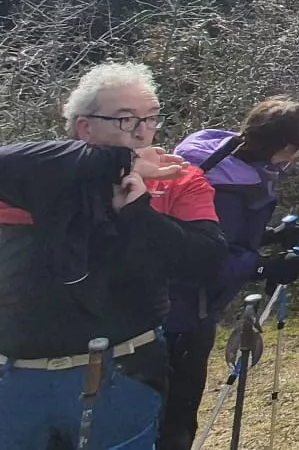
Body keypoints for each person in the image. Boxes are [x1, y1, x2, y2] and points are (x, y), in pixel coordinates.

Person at [0, 62, 226, 450]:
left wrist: (137, 214)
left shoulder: (177, 177)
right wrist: (119, 164)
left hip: (123, 371)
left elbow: (207, 260)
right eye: (125, 119)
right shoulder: (36, 173)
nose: (142, 131)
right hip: (17, 378)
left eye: (151, 118)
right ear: (84, 127)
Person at [160, 98, 299, 450]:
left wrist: (271, 235)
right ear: (286, 146)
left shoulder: (224, 157)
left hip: (179, 306)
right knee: (173, 421)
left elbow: (222, 234)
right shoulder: (226, 185)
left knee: (171, 416)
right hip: (182, 313)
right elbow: (209, 259)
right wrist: (267, 267)